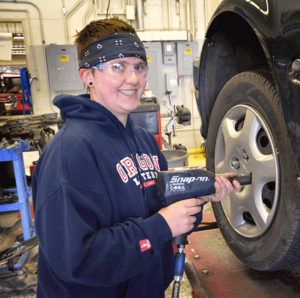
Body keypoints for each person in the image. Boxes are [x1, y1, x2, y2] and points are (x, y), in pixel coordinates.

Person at [32, 17, 240, 298]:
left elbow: (156, 205)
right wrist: (162, 226)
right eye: (119, 67)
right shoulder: (70, 151)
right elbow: (77, 260)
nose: (133, 79)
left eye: (139, 67)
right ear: (88, 75)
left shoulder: (143, 141)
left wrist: (203, 192)